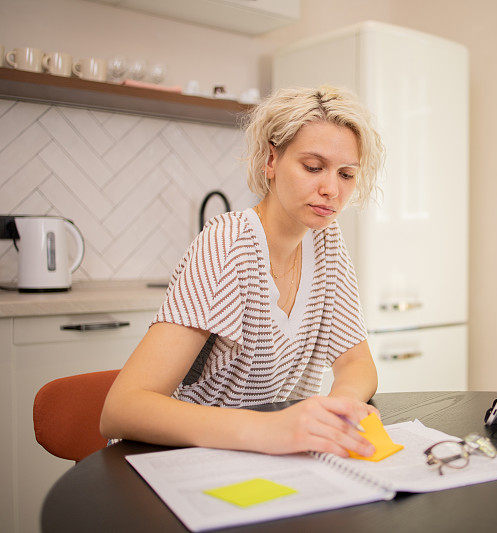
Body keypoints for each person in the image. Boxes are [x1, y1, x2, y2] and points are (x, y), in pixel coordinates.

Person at [100, 86, 385, 458]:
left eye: (346, 174)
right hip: (186, 458)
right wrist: (270, 430)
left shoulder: (326, 241)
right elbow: (121, 409)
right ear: (271, 160)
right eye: (313, 167)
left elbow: (356, 362)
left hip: (266, 456)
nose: (331, 188)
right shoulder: (227, 243)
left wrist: (338, 408)